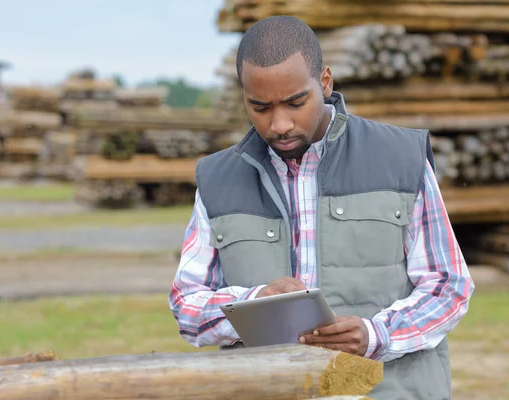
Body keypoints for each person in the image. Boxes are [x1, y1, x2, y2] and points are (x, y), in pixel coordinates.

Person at [169, 15, 474, 400]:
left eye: (296, 102)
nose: (279, 124)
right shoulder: (217, 179)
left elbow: (449, 286)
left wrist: (376, 335)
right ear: (243, 94)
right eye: (260, 107)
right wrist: (253, 302)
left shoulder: (401, 159)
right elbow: (186, 306)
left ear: (325, 82)